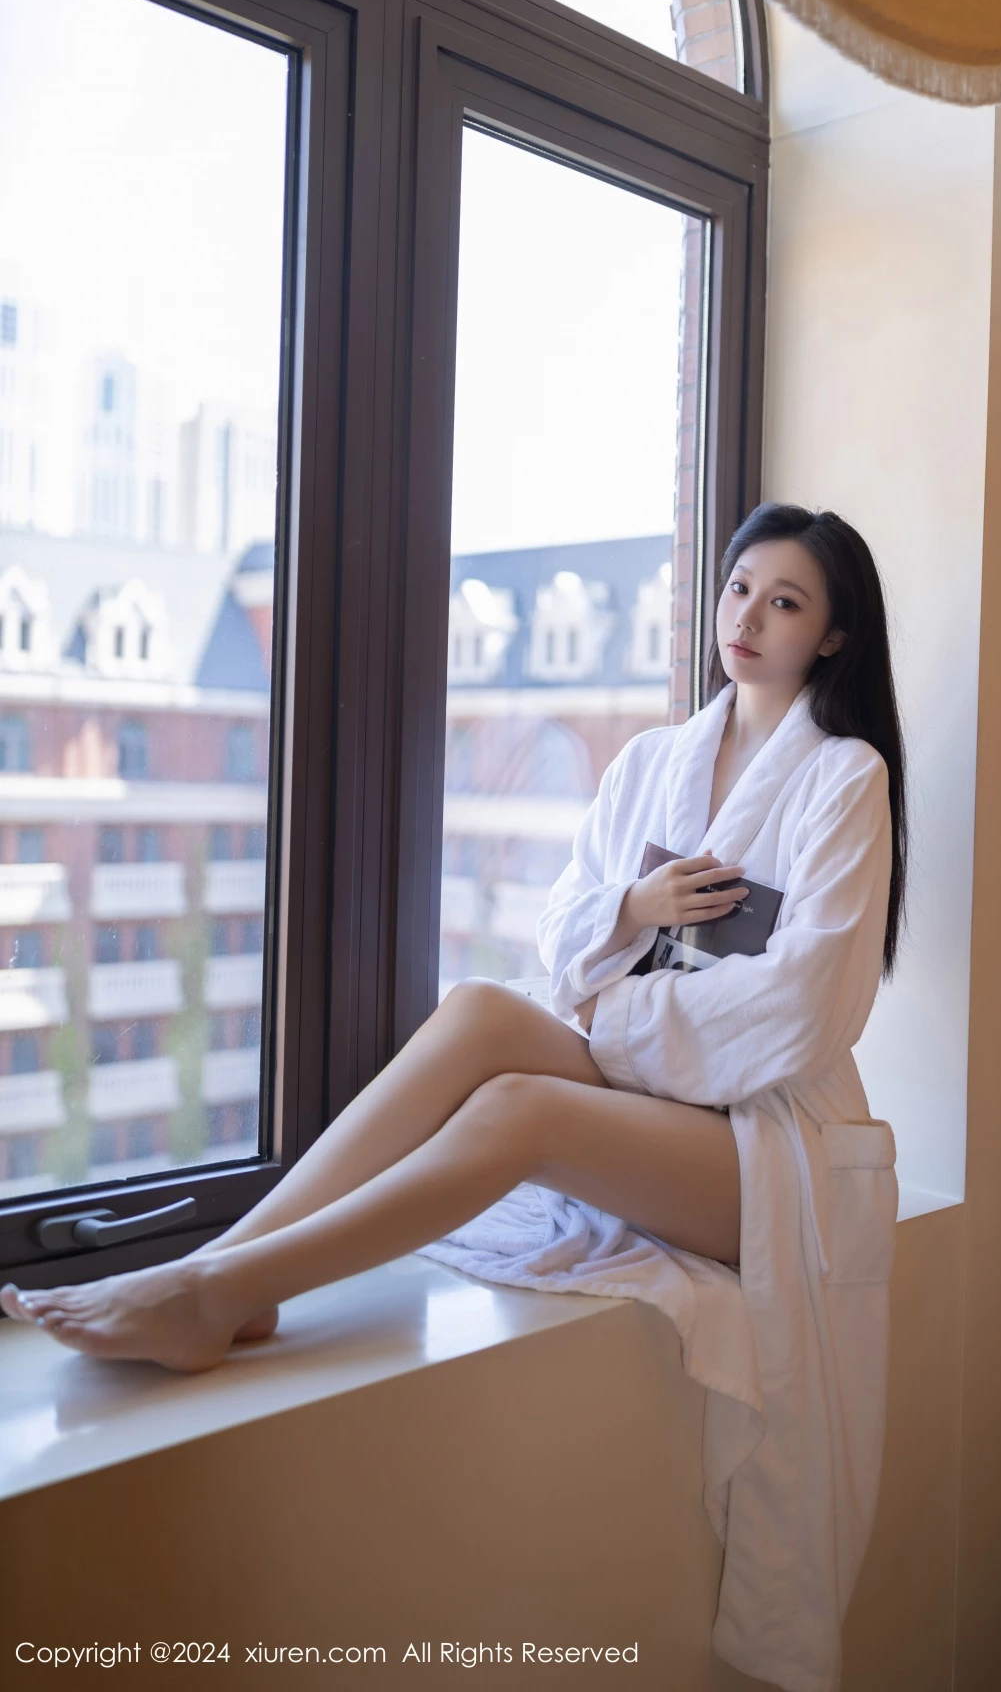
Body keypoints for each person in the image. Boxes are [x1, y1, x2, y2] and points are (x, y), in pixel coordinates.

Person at [1, 500, 908, 1692]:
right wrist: (633, 912)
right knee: (482, 1008)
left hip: (761, 1141)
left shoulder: (844, 779)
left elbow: (805, 1010)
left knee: (518, 1112)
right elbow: (563, 933)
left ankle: (213, 1294)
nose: (748, 616)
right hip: (657, 1081)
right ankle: (229, 1269)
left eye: (785, 602)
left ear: (831, 636)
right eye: (740, 588)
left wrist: (616, 1022)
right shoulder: (655, 761)